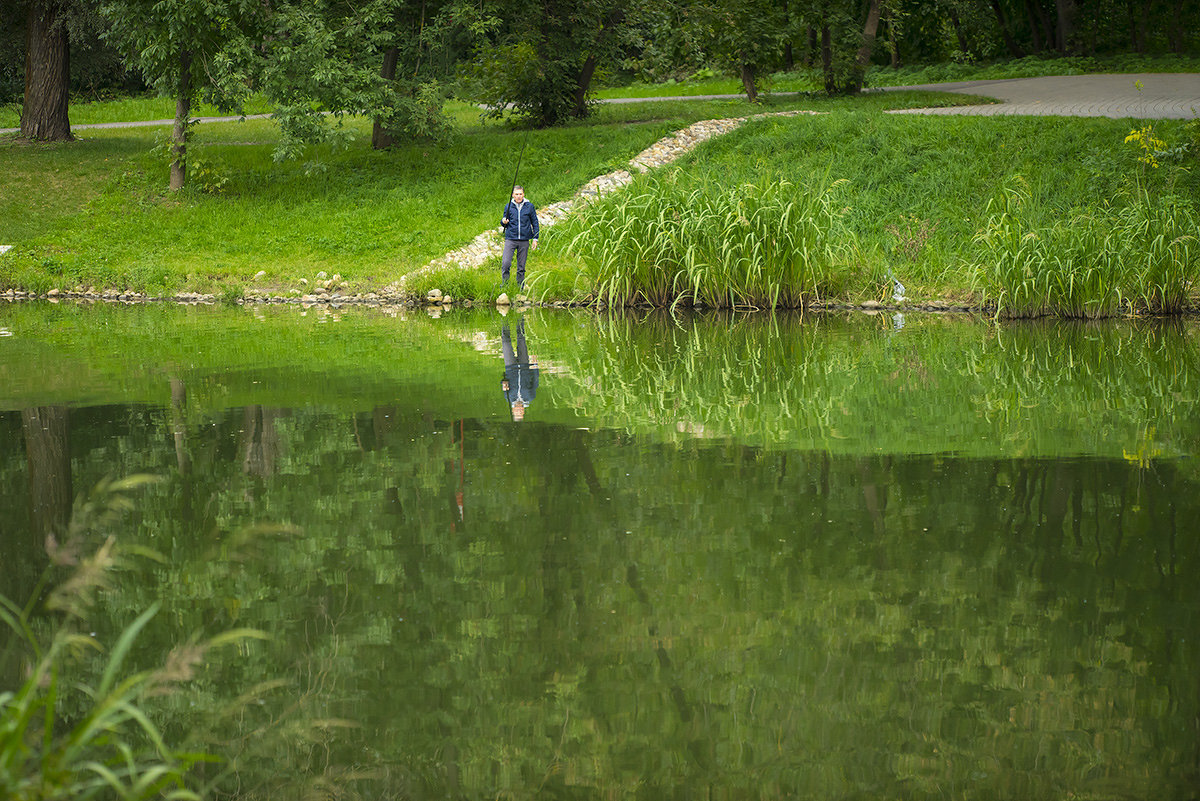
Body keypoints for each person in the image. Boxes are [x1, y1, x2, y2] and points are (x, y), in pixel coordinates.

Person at [499, 185, 539, 289]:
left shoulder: (529, 206)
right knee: (506, 263)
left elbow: (535, 222)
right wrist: (503, 221)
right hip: (511, 238)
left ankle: (520, 287)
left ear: (523, 194)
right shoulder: (508, 206)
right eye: (516, 194)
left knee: (521, 267)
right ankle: (505, 285)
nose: (518, 196)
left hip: (524, 240)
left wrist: (535, 238)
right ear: (513, 195)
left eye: (520, 194)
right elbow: (504, 222)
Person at [500, 317, 539, 422]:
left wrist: (503, 384)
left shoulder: (509, 398)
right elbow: (535, 381)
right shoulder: (530, 397)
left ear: (513, 411)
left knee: (505, 342)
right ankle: (519, 317)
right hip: (524, 366)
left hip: (510, 368)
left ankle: (504, 319)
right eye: (520, 413)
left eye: (517, 412)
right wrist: (535, 365)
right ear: (523, 411)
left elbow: (503, 383)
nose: (519, 410)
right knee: (521, 339)